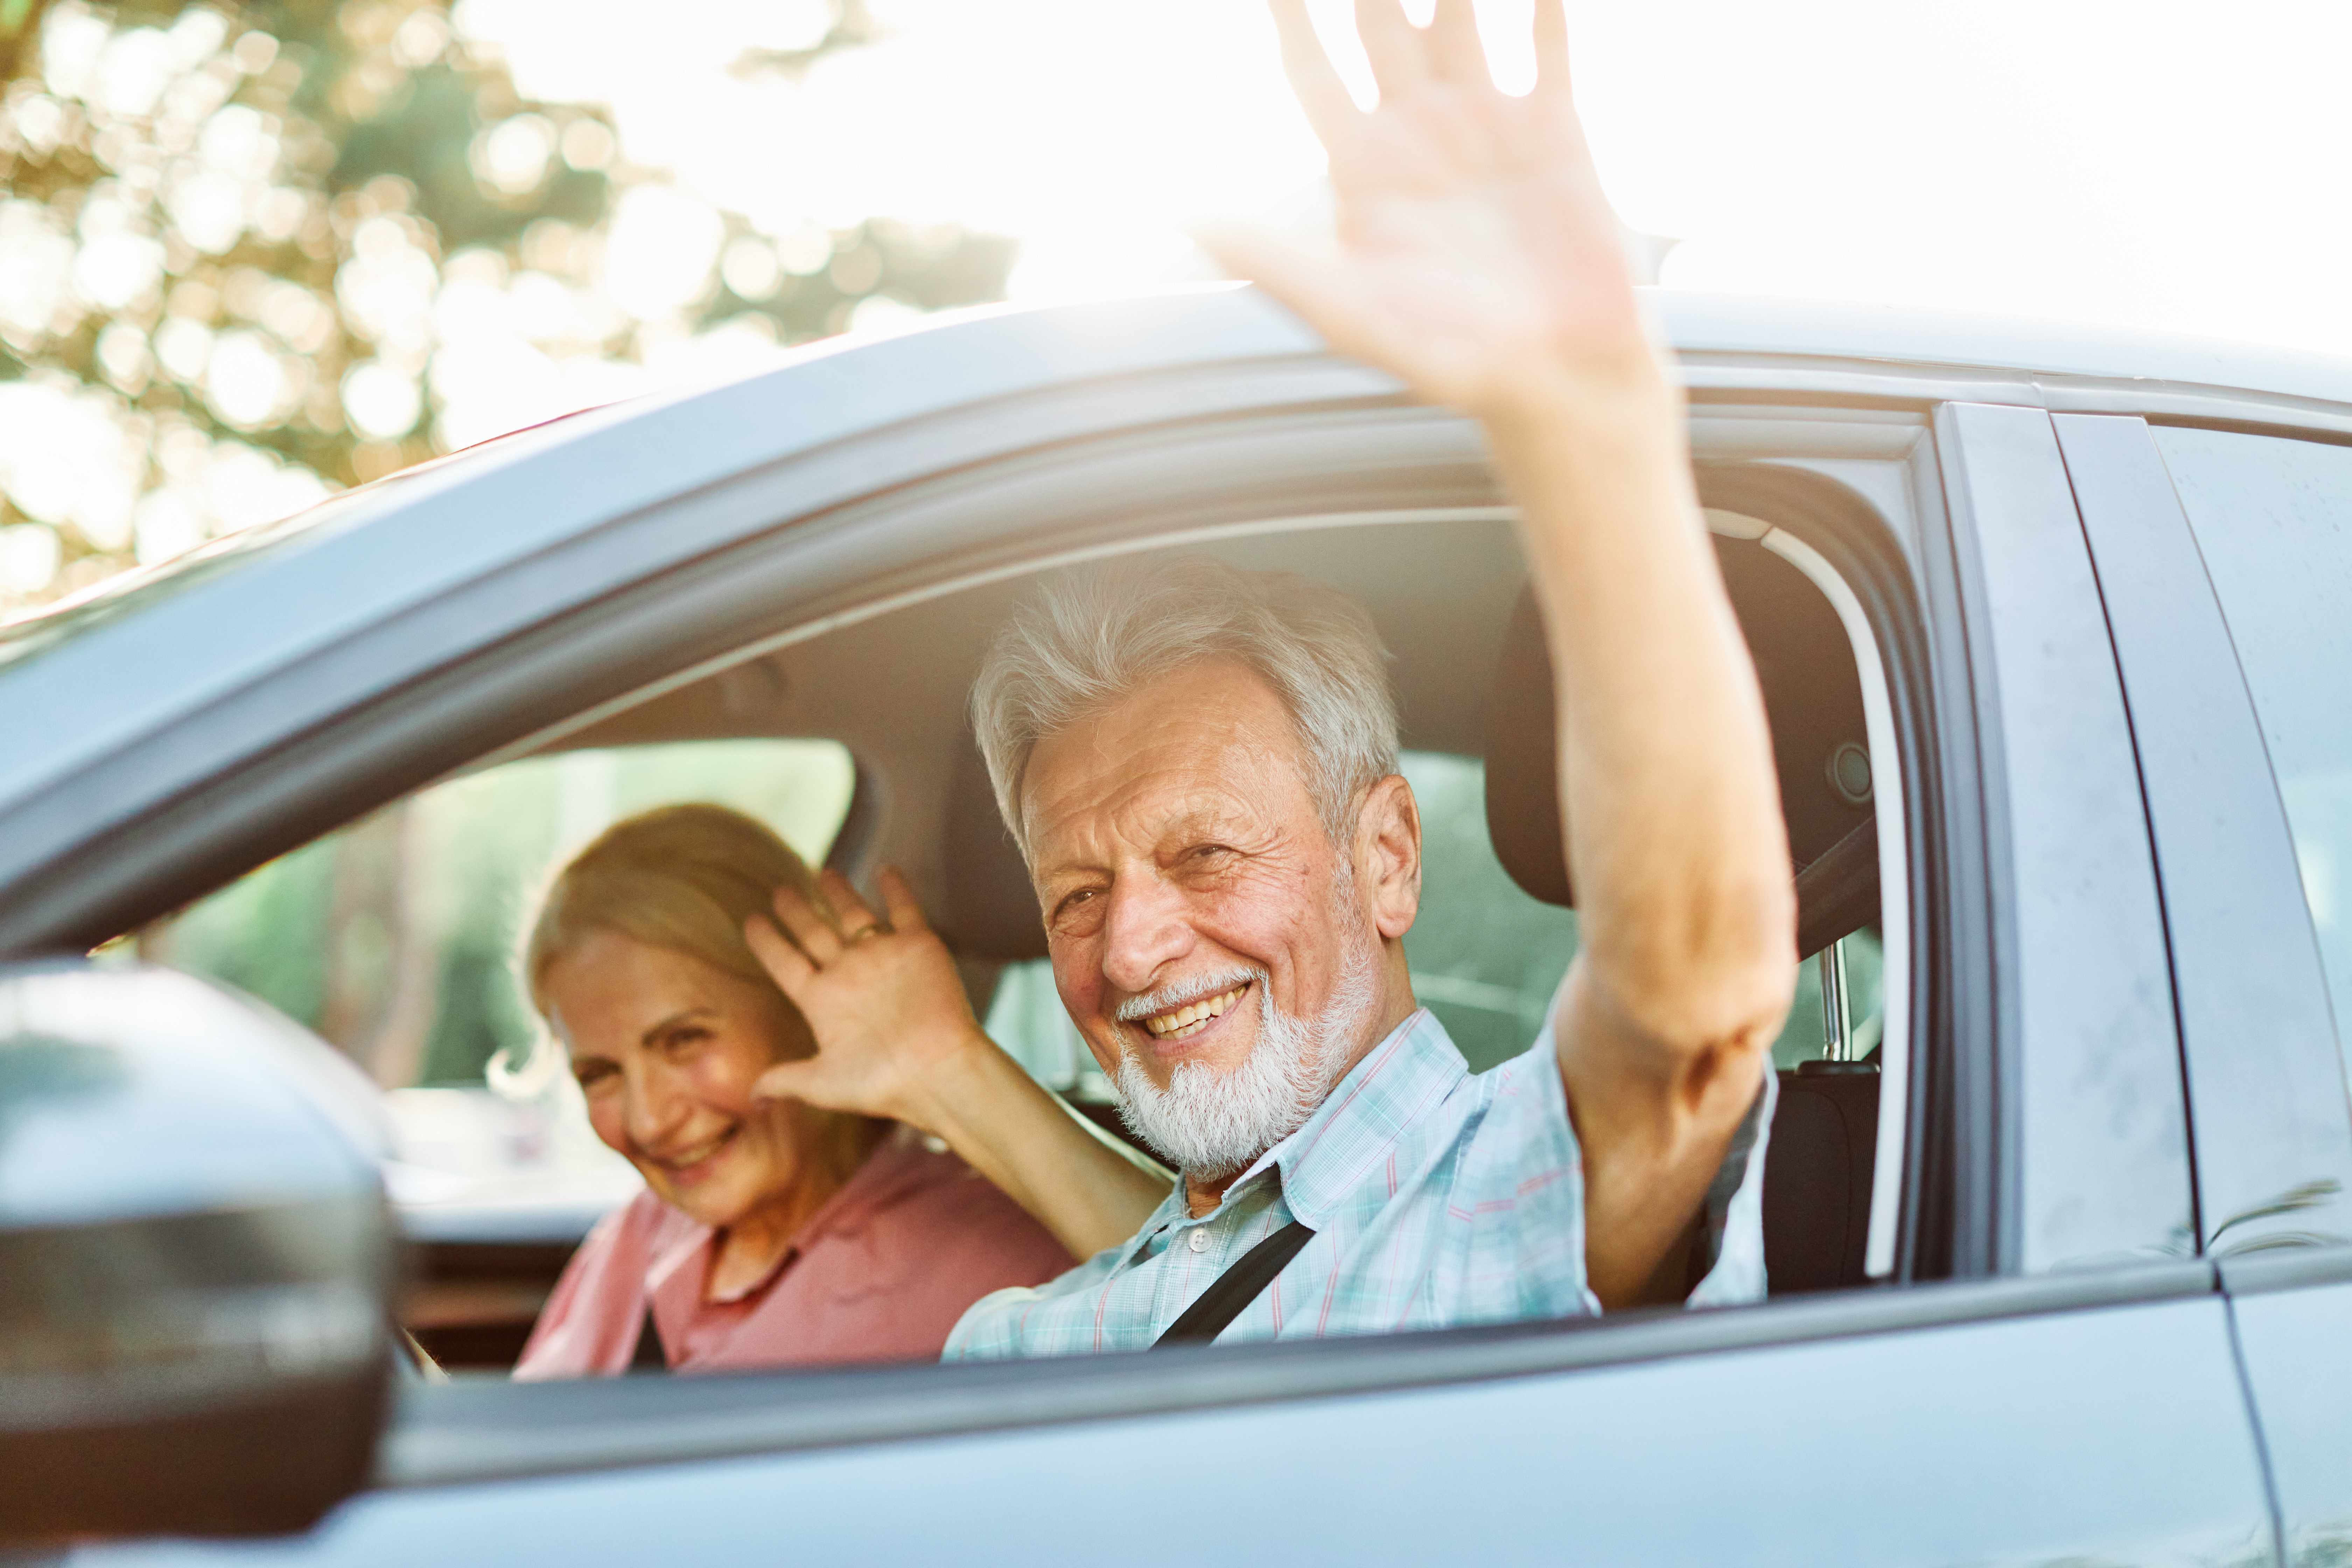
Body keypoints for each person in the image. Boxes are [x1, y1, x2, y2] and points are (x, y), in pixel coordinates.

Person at [741, 0, 1796, 1354]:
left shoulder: (1492, 1208)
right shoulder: (1023, 1341)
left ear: (1389, 857)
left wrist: (1585, 412)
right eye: (1075, 894)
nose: (1128, 947)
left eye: (1205, 855)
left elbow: (1688, 1008)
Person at [509, 805, 1072, 1378]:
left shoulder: (1000, 1258)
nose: (648, 1121)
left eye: (685, 1040)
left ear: (805, 1011)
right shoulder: (642, 1229)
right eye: (599, 1074)